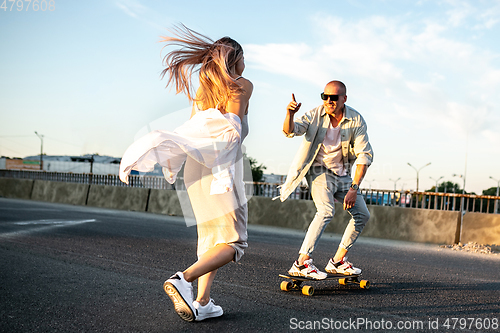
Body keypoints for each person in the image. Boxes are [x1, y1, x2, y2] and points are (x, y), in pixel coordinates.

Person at [119, 25, 253, 322]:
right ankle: (184, 279)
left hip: (196, 166)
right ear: (235, 59)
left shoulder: (203, 93)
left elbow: (195, 131)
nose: (246, 63)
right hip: (222, 163)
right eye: (244, 57)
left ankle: (203, 303)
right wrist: (227, 161)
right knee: (234, 242)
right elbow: (233, 130)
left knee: (211, 239)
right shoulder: (242, 84)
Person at [280, 80, 373, 279]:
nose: (328, 101)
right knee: (326, 210)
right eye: (325, 96)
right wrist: (290, 114)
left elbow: (364, 156)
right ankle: (302, 262)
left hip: (342, 174)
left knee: (363, 215)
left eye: (334, 97)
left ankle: (338, 261)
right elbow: (290, 131)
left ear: (344, 99)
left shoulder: (356, 120)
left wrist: (354, 188)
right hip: (318, 170)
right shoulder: (314, 114)